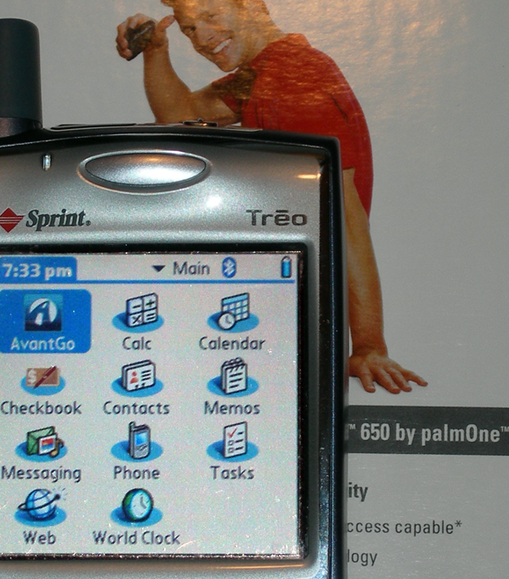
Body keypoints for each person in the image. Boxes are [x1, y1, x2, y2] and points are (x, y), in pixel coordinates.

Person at [117, 0, 426, 394]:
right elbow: (183, 113)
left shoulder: (296, 81)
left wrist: (368, 346)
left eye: (210, 16)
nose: (201, 38)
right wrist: (156, 51)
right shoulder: (266, 72)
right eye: (188, 28)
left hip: (301, 304)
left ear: (252, 6)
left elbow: (346, 223)